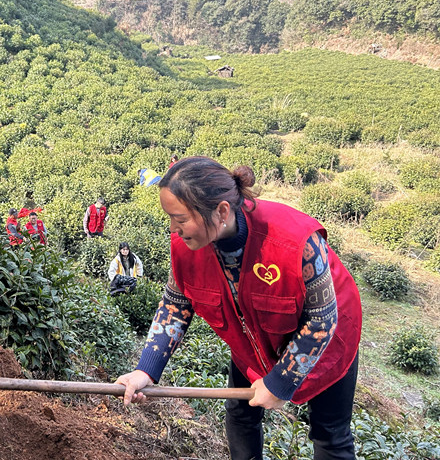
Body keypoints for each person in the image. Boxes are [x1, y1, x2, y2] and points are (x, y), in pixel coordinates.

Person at [116, 156, 361, 460]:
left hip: (329, 344)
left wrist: (280, 381)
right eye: (170, 219)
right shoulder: (186, 247)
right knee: (241, 415)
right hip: (253, 340)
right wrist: (146, 370)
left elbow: (322, 320)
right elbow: (176, 305)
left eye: (180, 219)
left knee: (330, 435)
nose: (174, 229)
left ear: (221, 211)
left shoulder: (296, 241)